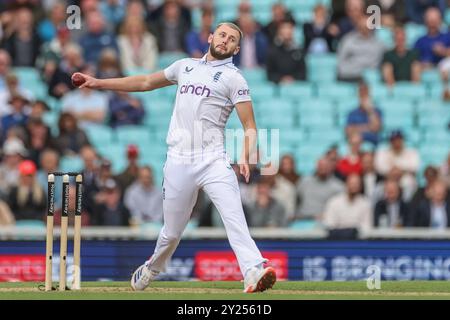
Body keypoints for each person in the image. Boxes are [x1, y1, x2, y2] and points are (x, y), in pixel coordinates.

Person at [72, 22, 277, 293]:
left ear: (237, 48)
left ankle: (253, 270)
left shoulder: (234, 78)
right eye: (222, 35)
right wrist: (98, 83)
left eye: (232, 39)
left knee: (234, 216)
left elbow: (250, 126)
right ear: (210, 37)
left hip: (213, 159)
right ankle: (151, 268)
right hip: (179, 159)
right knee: (171, 233)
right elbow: (145, 82)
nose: (225, 40)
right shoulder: (185, 66)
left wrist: (244, 155)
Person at [322, 173, 372, 239]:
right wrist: (349, 231)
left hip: (358, 242)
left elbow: (366, 227)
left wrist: (350, 231)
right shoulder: (334, 202)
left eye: (356, 184)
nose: (354, 186)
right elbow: (329, 224)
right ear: (346, 184)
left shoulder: (365, 203)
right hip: (336, 241)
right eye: (351, 183)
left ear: (360, 186)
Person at [337, 15, 385, 82]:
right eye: (362, 27)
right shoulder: (347, 41)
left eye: (367, 27)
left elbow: (383, 63)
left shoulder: (379, 44)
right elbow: (341, 63)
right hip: (351, 77)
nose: (365, 30)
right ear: (357, 27)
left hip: (372, 79)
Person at [374, 130, 420, 202]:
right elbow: (379, 169)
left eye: (398, 140)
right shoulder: (383, 152)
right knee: (378, 188)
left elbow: (415, 168)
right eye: (394, 140)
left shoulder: (411, 152)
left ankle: (406, 208)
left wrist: (398, 170)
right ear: (390, 141)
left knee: (410, 184)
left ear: (402, 140)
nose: (396, 142)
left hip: (405, 183)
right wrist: (399, 171)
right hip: (387, 182)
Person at [266, 20, 306, 84]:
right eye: (284, 28)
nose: (287, 31)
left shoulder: (299, 51)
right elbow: (270, 74)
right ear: (279, 32)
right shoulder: (272, 51)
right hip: (277, 87)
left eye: (289, 28)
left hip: (295, 86)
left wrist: (292, 78)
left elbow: (303, 73)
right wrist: (281, 79)